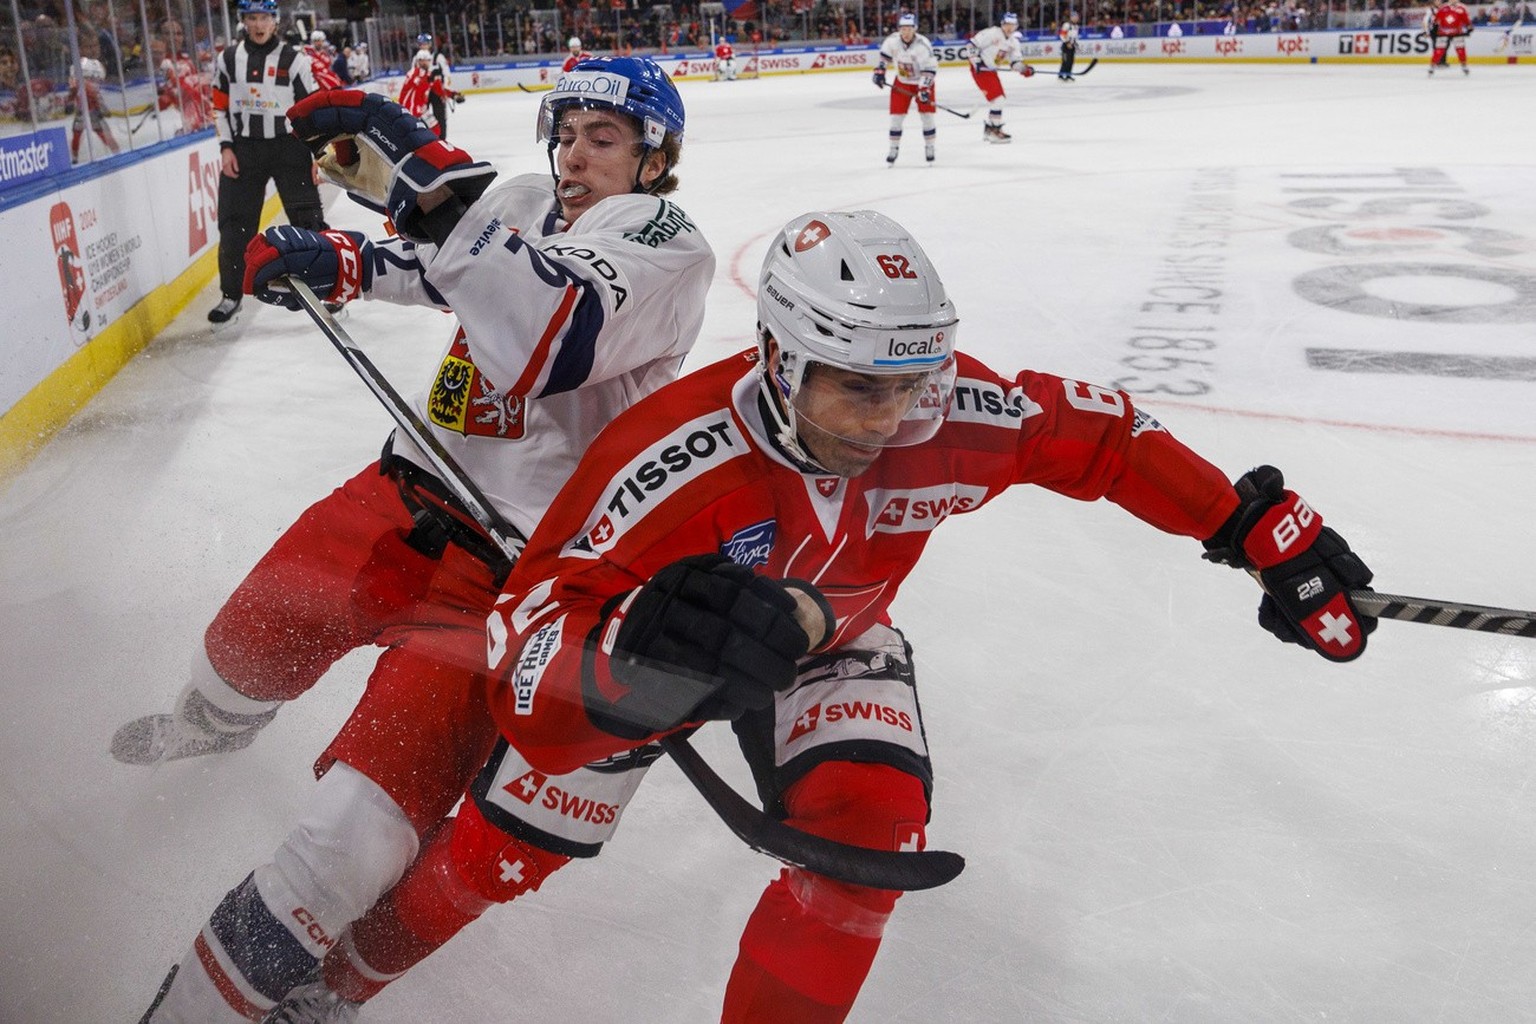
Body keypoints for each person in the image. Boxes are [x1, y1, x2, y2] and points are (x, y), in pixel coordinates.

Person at [274, 208, 1379, 1022]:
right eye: (860, 388)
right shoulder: (669, 457)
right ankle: (343, 984)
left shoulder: (943, 413)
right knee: (495, 860)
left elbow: (1097, 435)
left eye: (915, 383)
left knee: (865, 833)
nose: (894, 419)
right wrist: (624, 672)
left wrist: (1250, 527)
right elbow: (529, 649)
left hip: (834, 635)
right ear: (780, 358)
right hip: (655, 648)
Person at [121, 54, 713, 1023]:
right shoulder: (524, 196)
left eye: (602, 138)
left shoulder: (664, 241)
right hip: (395, 501)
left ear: (657, 157)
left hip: (502, 582)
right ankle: (209, 725)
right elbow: (447, 267)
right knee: (236, 651)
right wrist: (348, 263)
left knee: (348, 839)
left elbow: (545, 326)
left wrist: (422, 175)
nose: (572, 155)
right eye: (565, 133)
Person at [202, 0, 330, 325]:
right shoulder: (228, 59)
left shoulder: (295, 59)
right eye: (252, 18)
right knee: (234, 225)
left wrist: (317, 154)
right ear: (243, 21)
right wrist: (226, 147)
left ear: (275, 21)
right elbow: (218, 106)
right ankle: (231, 295)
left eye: (264, 18)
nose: (258, 25)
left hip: (290, 148)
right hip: (244, 150)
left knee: (308, 221)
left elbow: (310, 108)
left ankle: (325, 287)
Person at [873, 12, 938, 165]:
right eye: (903, 29)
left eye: (909, 29)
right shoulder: (892, 41)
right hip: (901, 82)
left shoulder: (923, 45)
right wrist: (880, 73)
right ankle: (893, 148)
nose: (905, 32)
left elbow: (929, 69)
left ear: (914, 29)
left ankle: (930, 147)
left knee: (927, 116)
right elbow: (884, 58)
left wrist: (924, 89)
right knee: (896, 118)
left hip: (922, 82)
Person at [966, 11, 1034, 143]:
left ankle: (989, 130)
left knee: (998, 100)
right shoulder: (992, 33)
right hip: (980, 70)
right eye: (1007, 24)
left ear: (1016, 26)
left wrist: (1025, 69)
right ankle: (994, 131)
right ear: (1002, 24)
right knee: (998, 99)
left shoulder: (1014, 42)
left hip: (991, 71)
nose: (1010, 27)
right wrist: (976, 61)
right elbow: (971, 45)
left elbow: (1015, 63)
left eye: (1013, 25)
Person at [415, 32, 454, 138]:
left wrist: (445, 89)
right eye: (421, 44)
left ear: (430, 44)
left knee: (440, 116)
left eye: (425, 43)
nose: (423, 46)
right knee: (421, 117)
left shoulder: (438, 57)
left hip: (437, 91)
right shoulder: (416, 59)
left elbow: (447, 75)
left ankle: (442, 139)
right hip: (423, 92)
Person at [395, 47, 443, 133]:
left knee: (436, 128)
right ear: (418, 61)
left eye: (427, 60)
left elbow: (438, 89)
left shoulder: (430, 74)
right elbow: (416, 83)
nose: (424, 62)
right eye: (422, 60)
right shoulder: (414, 72)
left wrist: (453, 94)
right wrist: (428, 78)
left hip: (422, 109)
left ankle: (432, 145)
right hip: (410, 110)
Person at [1430, 0, 1472, 73]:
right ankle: (1433, 65)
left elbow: (1467, 20)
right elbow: (1436, 20)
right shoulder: (1447, 8)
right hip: (1450, 32)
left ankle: (1464, 65)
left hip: (1451, 32)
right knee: (1440, 50)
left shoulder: (1460, 8)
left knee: (1460, 49)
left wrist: (1469, 28)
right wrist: (1469, 28)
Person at [1058, 16, 1081, 80]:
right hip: (1066, 46)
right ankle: (1061, 75)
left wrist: (1076, 45)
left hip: (1072, 45)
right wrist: (1067, 43)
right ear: (1071, 18)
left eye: (1077, 18)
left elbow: (1075, 37)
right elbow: (1062, 35)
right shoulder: (1066, 25)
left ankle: (1068, 75)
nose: (1076, 19)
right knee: (1065, 61)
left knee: (1071, 61)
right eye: (1075, 17)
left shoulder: (1076, 27)